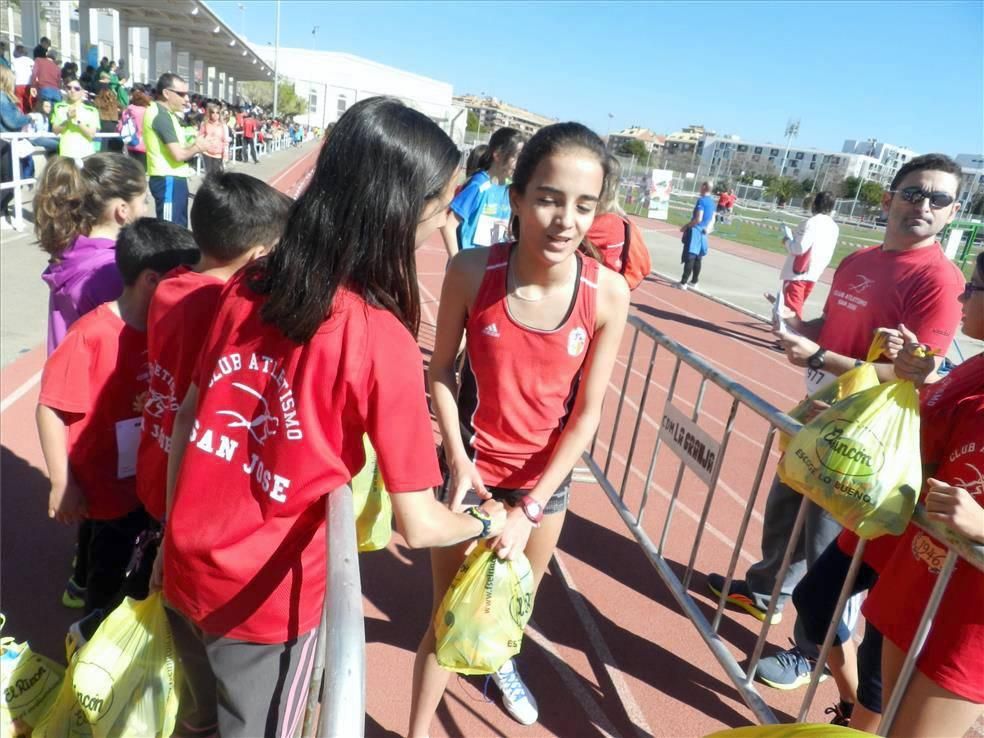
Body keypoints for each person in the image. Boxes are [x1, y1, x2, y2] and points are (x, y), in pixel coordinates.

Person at [154, 97, 507, 738]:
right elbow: (421, 523)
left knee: (194, 725)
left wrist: (171, 536)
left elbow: (187, 420)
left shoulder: (249, 282)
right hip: (264, 604)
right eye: (442, 200)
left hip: (186, 561)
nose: (447, 216)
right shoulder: (381, 340)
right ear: (401, 209)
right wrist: (489, 518)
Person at [706, 153, 966, 690]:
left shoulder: (939, 281)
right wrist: (800, 326)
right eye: (914, 192)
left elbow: (914, 373)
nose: (924, 205)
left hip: (865, 433)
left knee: (831, 546)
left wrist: (820, 358)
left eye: (938, 198)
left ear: (952, 211)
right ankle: (762, 593)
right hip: (820, 410)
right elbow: (836, 322)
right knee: (785, 507)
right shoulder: (860, 260)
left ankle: (813, 651)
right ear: (888, 197)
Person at [409, 122, 631, 734]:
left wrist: (531, 506)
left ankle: (501, 662)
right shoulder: (471, 271)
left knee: (509, 605)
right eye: (549, 198)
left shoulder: (607, 294)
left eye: (584, 205)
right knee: (444, 615)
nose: (566, 220)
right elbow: (441, 375)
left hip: (543, 491)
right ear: (517, 197)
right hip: (470, 476)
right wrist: (459, 462)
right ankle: (417, 730)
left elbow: (586, 414)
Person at [36, 218, 198, 615]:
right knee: (107, 574)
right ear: (151, 279)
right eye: (183, 280)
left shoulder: (169, 328)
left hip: (149, 479)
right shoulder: (91, 336)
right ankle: (92, 643)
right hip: (107, 488)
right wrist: (62, 481)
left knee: (143, 571)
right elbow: (50, 408)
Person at [854, 255, 984, 737]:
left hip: (970, 621)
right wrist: (920, 378)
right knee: (889, 726)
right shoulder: (976, 369)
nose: (961, 297)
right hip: (919, 579)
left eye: (975, 287)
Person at [137, 172, 292, 525]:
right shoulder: (221, 306)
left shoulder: (171, 283)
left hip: (155, 456)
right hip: (186, 472)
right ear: (258, 254)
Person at [440, 126, 524, 258]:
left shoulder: (510, 189)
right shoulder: (479, 186)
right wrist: (458, 262)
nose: (519, 164)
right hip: (471, 268)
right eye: (515, 157)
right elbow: (448, 226)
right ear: (497, 155)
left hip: (493, 266)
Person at [142, 73, 207, 227]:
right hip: (167, 178)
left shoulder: (167, 115)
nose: (186, 99)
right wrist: (198, 147)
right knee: (169, 230)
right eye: (181, 94)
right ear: (166, 93)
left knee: (179, 229)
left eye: (187, 94)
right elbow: (178, 154)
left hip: (174, 178)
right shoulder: (161, 116)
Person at [778, 190, 839, 319]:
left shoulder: (810, 223)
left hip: (798, 273)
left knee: (791, 310)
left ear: (814, 205)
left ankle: (791, 336)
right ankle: (788, 333)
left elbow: (799, 248)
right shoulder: (834, 227)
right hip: (814, 273)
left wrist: (787, 241)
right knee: (795, 307)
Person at [0, 66, 31, 230]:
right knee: (11, 182)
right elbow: (12, 121)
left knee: (7, 182)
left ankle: (3, 212)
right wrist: (29, 118)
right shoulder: (2, 97)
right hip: (5, 142)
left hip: (5, 142)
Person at [677, 180, 716, 289]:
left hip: (695, 231)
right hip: (703, 232)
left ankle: (683, 282)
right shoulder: (712, 202)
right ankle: (694, 281)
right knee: (698, 258)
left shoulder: (701, 201)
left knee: (690, 257)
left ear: (704, 187)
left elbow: (698, 218)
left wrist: (686, 226)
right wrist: (708, 229)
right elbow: (713, 219)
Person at [50, 77, 99, 159]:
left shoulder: (91, 110)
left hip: (86, 154)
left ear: (82, 92)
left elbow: (91, 134)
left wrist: (78, 121)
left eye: (76, 88)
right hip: (66, 154)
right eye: (69, 88)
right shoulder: (59, 107)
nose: (72, 90)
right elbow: (55, 131)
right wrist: (68, 120)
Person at [119, 87, 150, 168]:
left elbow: (120, 128)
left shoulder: (126, 111)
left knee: (132, 171)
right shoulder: (147, 111)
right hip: (144, 145)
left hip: (130, 144)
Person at [198, 102, 228, 176]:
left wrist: (225, 155)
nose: (215, 115)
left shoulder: (223, 126)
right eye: (213, 112)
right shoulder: (204, 124)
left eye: (217, 113)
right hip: (206, 153)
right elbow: (199, 136)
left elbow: (226, 141)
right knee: (208, 176)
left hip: (218, 155)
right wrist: (199, 149)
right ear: (210, 113)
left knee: (217, 177)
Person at [93, 87, 122, 153]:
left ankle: (103, 153)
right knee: (110, 140)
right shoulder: (114, 101)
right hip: (113, 122)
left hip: (102, 121)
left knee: (103, 141)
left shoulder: (98, 100)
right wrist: (117, 112)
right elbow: (122, 108)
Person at [11, 45, 33, 113]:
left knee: (19, 103)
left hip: (18, 84)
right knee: (28, 103)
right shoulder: (29, 60)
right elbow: (34, 71)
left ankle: (20, 117)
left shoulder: (14, 61)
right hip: (28, 84)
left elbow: (13, 74)